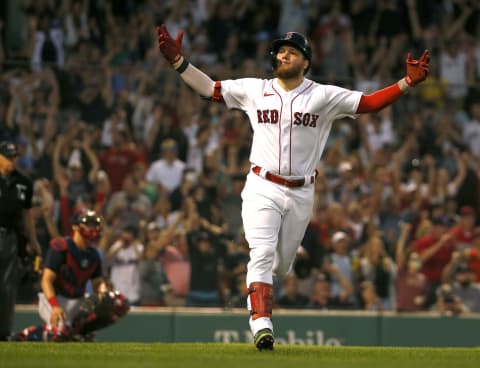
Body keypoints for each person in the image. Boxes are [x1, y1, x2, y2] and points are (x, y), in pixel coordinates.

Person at [156, 24, 430, 350]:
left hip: (301, 192)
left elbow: (369, 103)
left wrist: (407, 83)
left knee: (282, 265)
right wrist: (178, 63)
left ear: (306, 62)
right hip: (262, 185)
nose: (284, 54)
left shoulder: (323, 95)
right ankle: (261, 324)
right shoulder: (255, 89)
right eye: (281, 51)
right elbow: (209, 89)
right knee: (260, 253)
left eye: (292, 52)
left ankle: (264, 291)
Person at [10, 209, 129, 341]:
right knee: (59, 334)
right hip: (55, 297)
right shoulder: (61, 247)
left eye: (95, 224)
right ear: (75, 227)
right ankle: (24, 336)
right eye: (88, 224)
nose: (93, 228)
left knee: (119, 302)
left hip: (78, 299)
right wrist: (55, 306)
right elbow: (46, 280)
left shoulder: (93, 254)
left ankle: (81, 332)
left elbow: (97, 281)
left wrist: (103, 293)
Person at [0, 141, 41, 341]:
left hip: (10, 237)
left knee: (8, 286)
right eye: (8, 156)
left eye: (14, 156)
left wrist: (32, 240)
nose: (12, 160)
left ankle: (4, 332)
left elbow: (26, 214)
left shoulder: (24, 182)